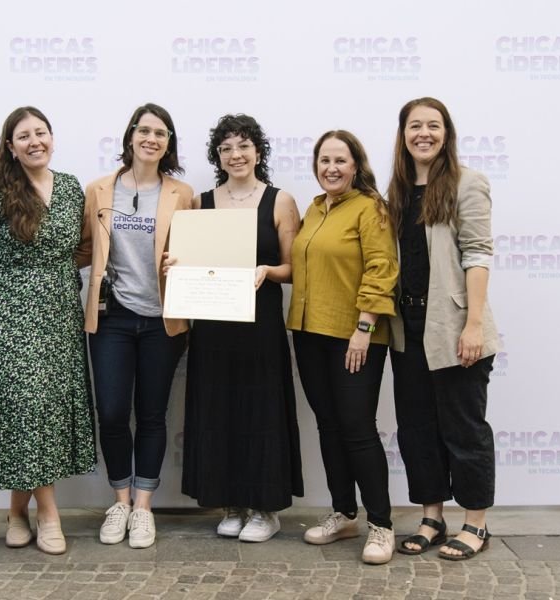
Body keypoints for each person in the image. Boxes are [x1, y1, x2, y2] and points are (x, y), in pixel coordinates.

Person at [0, 106, 96, 555]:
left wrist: (54, 277)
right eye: (24, 136)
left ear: (52, 138)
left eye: (41, 132)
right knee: (25, 409)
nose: (34, 141)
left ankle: (16, 511)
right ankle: (50, 515)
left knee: (44, 415)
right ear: (10, 147)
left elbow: (78, 249)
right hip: (7, 317)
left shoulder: (73, 187)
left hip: (59, 313)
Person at [180, 114, 303, 542]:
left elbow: (294, 269)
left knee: (261, 412)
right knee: (219, 411)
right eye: (227, 147)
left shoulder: (280, 201)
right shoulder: (201, 202)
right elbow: (192, 264)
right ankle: (231, 502)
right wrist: (175, 268)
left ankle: (265, 509)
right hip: (213, 326)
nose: (236, 154)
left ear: (258, 151)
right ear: (218, 155)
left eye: (244, 145)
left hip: (261, 325)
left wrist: (268, 270)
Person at [387, 97, 500, 561]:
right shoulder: (394, 191)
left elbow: (477, 253)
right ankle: (432, 517)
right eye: (415, 126)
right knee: (417, 429)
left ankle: (476, 523)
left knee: (464, 429)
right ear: (403, 134)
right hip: (405, 331)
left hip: (454, 328)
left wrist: (473, 325)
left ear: (446, 133)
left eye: (433, 126)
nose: (424, 134)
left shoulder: (466, 183)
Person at [76, 102, 193, 549]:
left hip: (163, 318)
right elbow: (84, 249)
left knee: (151, 414)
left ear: (168, 144)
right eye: (144, 131)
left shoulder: (183, 193)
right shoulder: (99, 190)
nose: (151, 139)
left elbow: (196, 252)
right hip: (112, 318)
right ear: (130, 137)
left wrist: (183, 260)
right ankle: (120, 501)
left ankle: (143, 508)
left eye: (161, 133)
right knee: (110, 412)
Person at [287, 130, 399, 565]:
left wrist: (365, 327)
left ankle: (382, 525)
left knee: (357, 429)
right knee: (329, 427)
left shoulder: (371, 208)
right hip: (308, 333)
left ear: (356, 165)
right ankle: (344, 512)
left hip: (355, 336)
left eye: (340, 160)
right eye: (324, 160)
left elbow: (382, 267)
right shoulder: (314, 210)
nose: (331, 167)